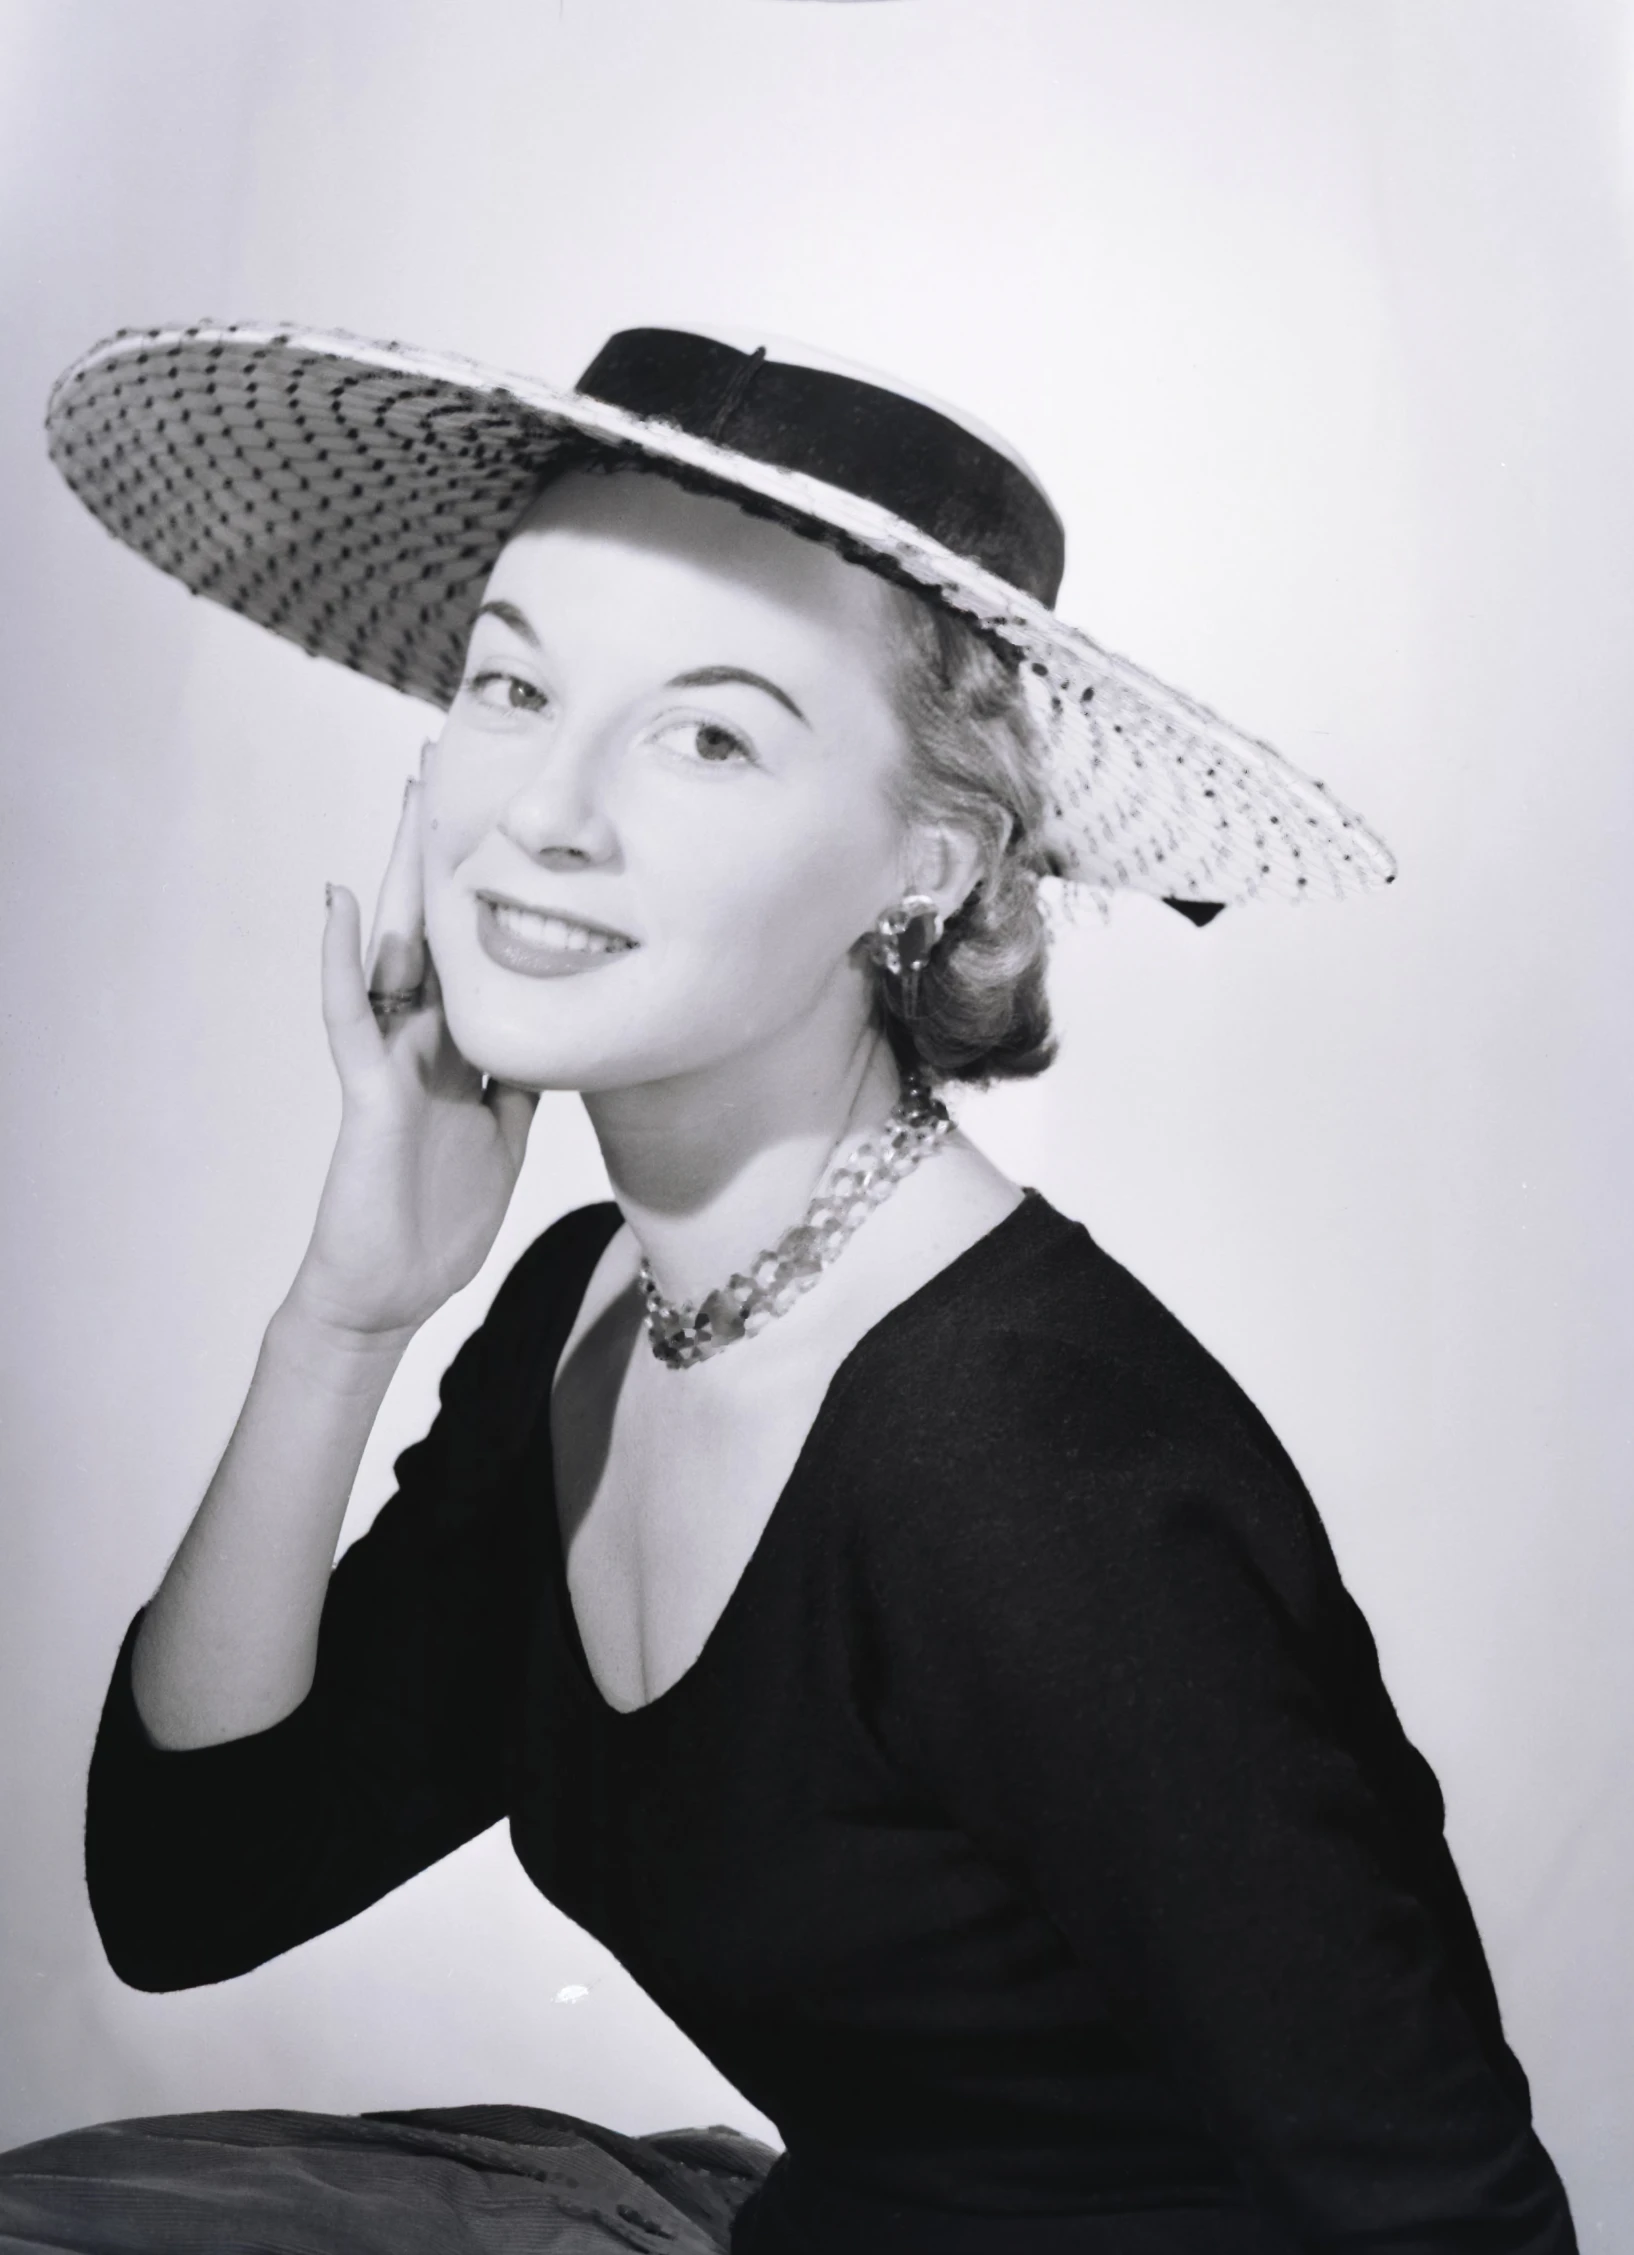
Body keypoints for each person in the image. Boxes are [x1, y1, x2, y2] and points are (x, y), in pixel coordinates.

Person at [3, 323, 1576, 2253]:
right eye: (515, 680)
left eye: (712, 730)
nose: (548, 810)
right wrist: (345, 1315)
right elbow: (190, 1886)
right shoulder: (594, 1304)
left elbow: (1447, 2222)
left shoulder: (1032, 1476)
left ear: (923, 868)